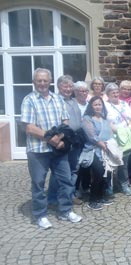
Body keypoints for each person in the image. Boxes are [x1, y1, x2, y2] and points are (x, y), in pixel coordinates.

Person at [21, 68, 82, 229]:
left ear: (50, 81)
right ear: (34, 82)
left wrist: (60, 138)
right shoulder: (29, 100)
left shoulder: (57, 99)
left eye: (45, 80)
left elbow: (65, 123)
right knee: (39, 183)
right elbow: (30, 128)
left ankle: (65, 210)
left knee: (66, 180)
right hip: (37, 150)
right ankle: (40, 215)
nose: (42, 83)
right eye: (39, 81)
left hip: (59, 149)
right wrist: (52, 139)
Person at [47, 75, 83, 206]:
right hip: (63, 140)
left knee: (74, 169)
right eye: (65, 86)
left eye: (70, 86)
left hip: (75, 139)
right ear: (58, 87)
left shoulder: (73, 101)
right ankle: (52, 197)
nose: (68, 89)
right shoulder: (56, 101)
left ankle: (69, 194)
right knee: (59, 171)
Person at [82, 96, 115, 210]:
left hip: (105, 150)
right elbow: (91, 135)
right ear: (91, 106)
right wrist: (101, 143)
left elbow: (110, 133)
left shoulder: (104, 118)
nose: (98, 106)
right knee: (98, 173)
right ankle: (92, 199)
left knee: (105, 174)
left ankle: (100, 196)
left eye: (99, 104)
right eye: (95, 104)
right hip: (93, 150)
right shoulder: (87, 118)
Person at [105, 82, 131, 196]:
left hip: (125, 138)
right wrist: (118, 131)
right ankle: (109, 187)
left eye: (117, 92)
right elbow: (104, 121)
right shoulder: (105, 105)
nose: (115, 94)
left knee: (124, 163)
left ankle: (124, 185)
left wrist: (130, 127)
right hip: (112, 138)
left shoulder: (124, 103)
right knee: (111, 164)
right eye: (112, 92)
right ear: (107, 94)